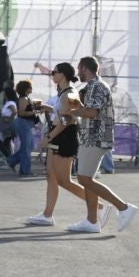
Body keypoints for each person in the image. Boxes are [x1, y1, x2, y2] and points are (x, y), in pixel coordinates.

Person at [70, 55, 138, 231]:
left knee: (84, 178)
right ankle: (92, 221)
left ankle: (123, 207)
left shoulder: (96, 86)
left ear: (85, 68)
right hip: (93, 138)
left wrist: (71, 111)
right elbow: (90, 110)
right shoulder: (94, 86)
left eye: (79, 69)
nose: (78, 72)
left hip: (95, 138)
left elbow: (92, 112)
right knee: (87, 179)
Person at [23, 65, 86, 226]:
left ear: (63, 75)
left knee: (65, 181)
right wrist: (49, 109)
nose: (52, 74)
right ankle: (47, 214)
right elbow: (68, 114)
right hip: (59, 136)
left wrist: (48, 137)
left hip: (64, 138)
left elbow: (68, 120)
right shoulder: (66, 93)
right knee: (51, 176)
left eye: (54, 72)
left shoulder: (69, 93)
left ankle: (98, 205)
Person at [4, 81, 37, 177]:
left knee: (28, 147)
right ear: (26, 89)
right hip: (23, 123)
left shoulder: (26, 98)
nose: (31, 89)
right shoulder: (23, 99)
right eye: (30, 87)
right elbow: (21, 113)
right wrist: (35, 111)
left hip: (25, 124)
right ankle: (25, 170)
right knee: (26, 148)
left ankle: (12, 161)